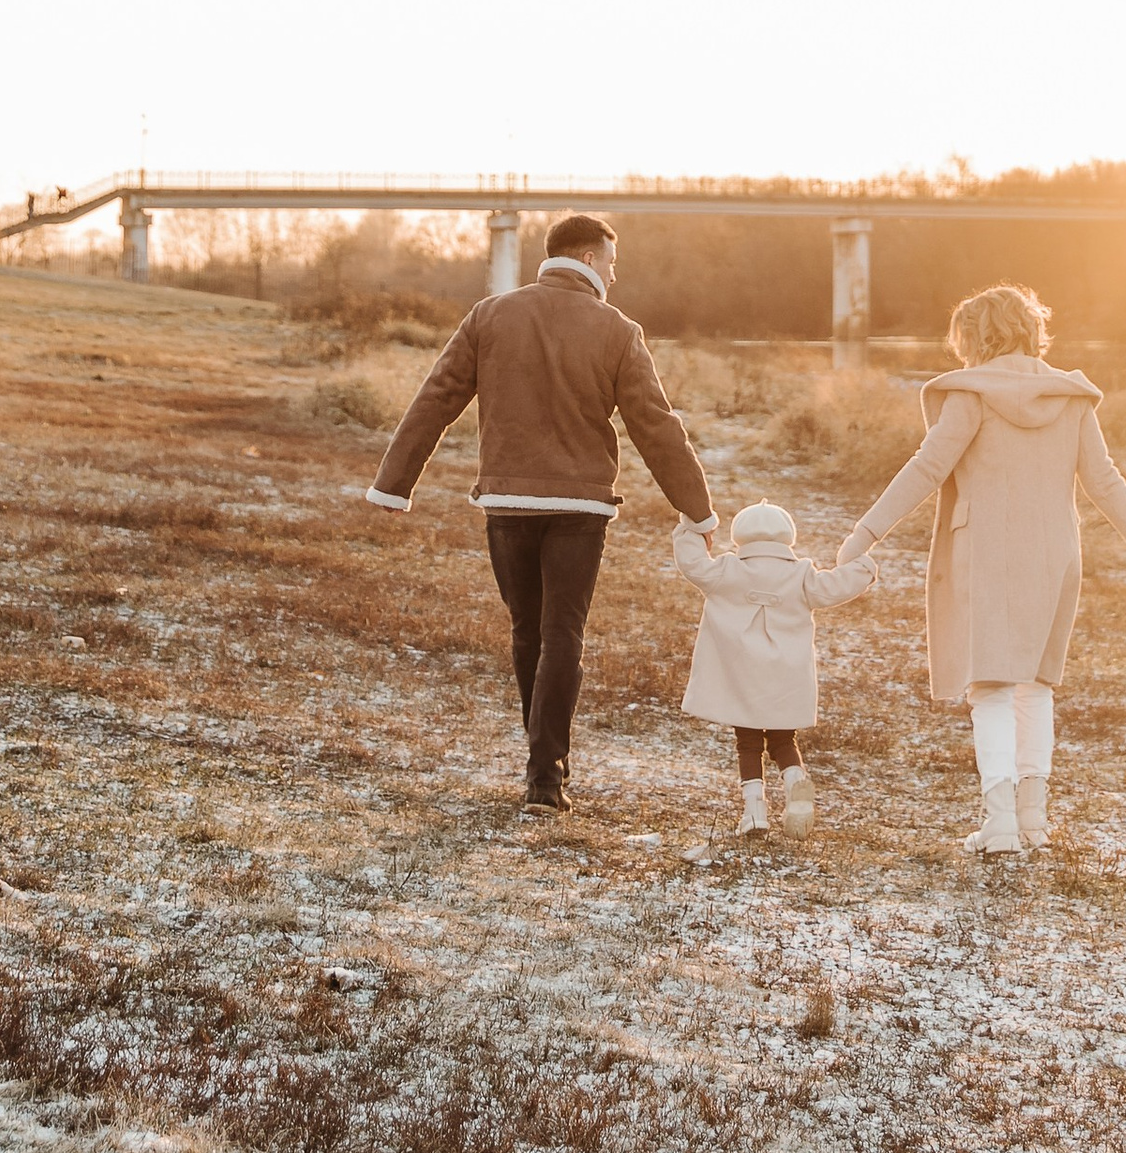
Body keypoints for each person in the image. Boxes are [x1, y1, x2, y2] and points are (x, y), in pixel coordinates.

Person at [365, 210, 715, 810]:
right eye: (611, 262)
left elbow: (437, 397)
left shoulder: (490, 315)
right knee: (562, 634)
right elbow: (656, 425)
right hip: (579, 507)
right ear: (588, 259)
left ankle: (542, 767)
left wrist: (394, 484)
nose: (614, 274)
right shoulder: (617, 330)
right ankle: (545, 777)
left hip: (507, 503)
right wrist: (697, 511)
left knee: (528, 630)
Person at [833, 282, 1126, 855]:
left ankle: (1000, 821)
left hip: (988, 551)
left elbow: (926, 468)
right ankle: (1033, 819)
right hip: (1055, 552)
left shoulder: (972, 394)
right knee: (1035, 686)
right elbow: (1105, 483)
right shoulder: (1070, 397)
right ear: (1030, 329)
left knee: (992, 689)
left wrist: (866, 532)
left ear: (975, 337)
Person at [672, 499, 880, 836]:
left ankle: (754, 811)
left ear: (740, 536)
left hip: (742, 676)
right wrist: (863, 567)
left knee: (748, 743)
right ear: (788, 537)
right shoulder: (801, 575)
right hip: (786, 675)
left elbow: (692, 564)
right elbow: (834, 587)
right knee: (784, 739)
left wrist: (692, 531)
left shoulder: (727, 570)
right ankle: (795, 782)